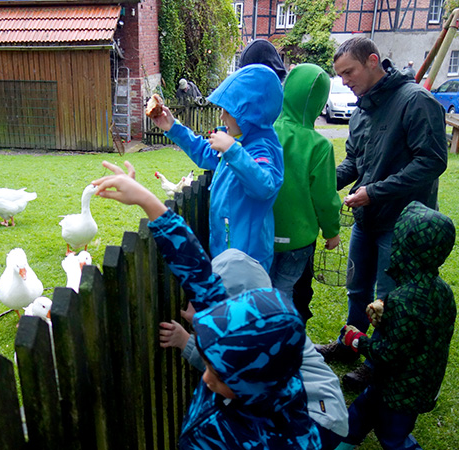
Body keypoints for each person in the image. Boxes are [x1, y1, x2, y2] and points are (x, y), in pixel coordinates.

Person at [93, 161, 320, 450]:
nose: (206, 377)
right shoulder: (253, 353)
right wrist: (145, 199)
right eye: (209, 364)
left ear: (251, 384)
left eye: (218, 373)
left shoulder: (280, 441)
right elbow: (199, 274)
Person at [315, 37, 448, 390]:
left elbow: (432, 161)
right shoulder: (361, 111)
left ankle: (378, 362)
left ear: (373, 61)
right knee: (357, 290)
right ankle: (349, 345)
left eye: (348, 72)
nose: (344, 81)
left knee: (387, 300)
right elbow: (354, 163)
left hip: (402, 226)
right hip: (366, 219)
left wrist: (374, 192)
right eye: (339, 75)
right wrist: (320, 183)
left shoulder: (416, 101)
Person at [160, 248, 348, 450]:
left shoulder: (259, 339)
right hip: (324, 407)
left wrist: (187, 339)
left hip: (318, 419)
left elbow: (226, 369)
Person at [335, 201, 456, 450]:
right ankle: (341, 441)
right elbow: (422, 330)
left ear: (405, 247)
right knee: (360, 413)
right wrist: (387, 312)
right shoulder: (442, 291)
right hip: (417, 381)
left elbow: (389, 353)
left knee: (393, 436)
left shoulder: (404, 300)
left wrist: (356, 339)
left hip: (400, 390)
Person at [151, 64, 284, 270]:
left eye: (227, 111)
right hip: (226, 253)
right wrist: (173, 127)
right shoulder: (236, 142)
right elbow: (205, 152)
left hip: (247, 261)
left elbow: (264, 186)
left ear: (248, 114)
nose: (221, 117)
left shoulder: (261, 149)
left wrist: (232, 150)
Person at [270, 63, 342, 318]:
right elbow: (325, 198)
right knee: (285, 291)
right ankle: (286, 343)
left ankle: (259, 343)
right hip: (299, 239)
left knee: (262, 290)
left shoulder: (264, 131)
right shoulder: (319, 146)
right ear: (320, 103)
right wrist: (332, 232)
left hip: (263, 231)